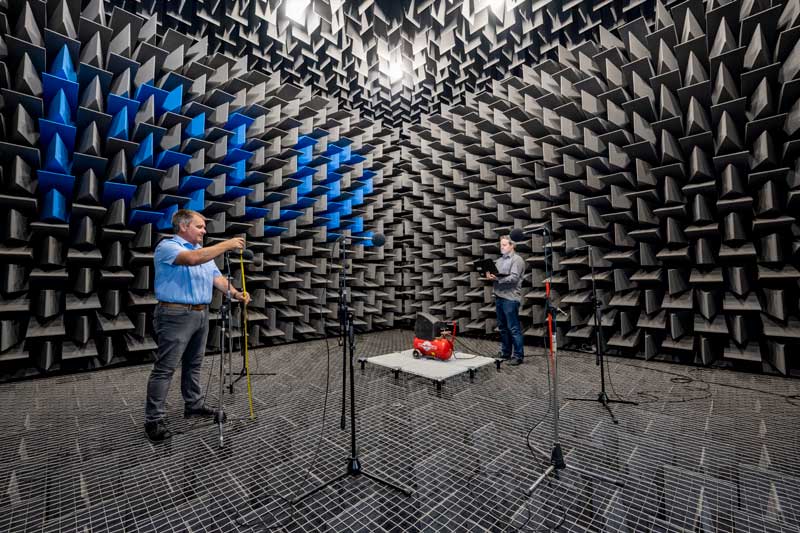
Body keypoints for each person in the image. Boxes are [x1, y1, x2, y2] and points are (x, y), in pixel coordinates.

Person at [145, 209, 252, 442]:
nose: (204, 231)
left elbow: (218, 279)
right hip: (174, 314)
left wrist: (236, 294)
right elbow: (193, 260)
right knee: (165, 368)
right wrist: (228, 244)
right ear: (183, 226)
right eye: (200, 226)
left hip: (200, 314)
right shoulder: (168, 247)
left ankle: (193, 405)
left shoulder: (203, 254)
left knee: (194, 364)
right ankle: (153, 419)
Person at [485, 235, 526, 366]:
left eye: (504, 245)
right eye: (501, 245)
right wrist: (489, 275)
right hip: (499, 297)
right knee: (503, 328)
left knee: (513, 328)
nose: (501, 247)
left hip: (510, 299)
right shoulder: (498, 261)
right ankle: (505, 353)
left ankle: (518, 356)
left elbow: (514, 278)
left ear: (512, 245)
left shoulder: (517, 260)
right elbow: (495, 276)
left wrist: (496, 279)